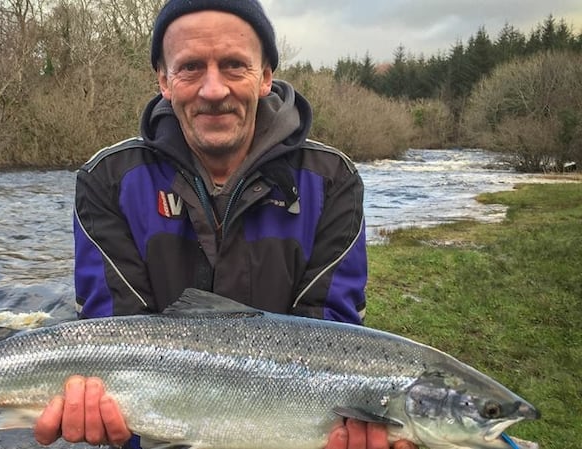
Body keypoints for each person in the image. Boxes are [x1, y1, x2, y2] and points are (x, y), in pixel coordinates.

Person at [35, 1, 417, 448]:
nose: (213, 90)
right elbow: (112, 332)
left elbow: (331, 333)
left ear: (265, 76)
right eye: (191, 67)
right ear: (163, 80)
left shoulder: (331, 180)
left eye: (234, 66)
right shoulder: (110, 179)